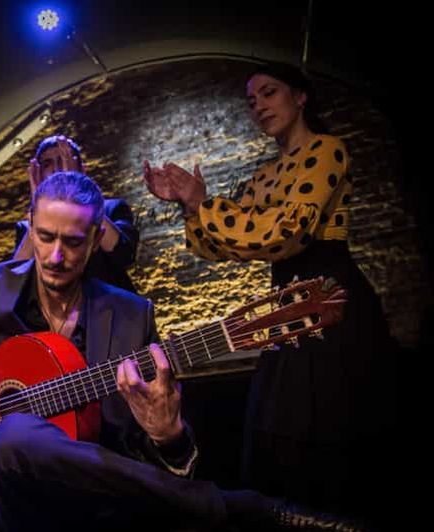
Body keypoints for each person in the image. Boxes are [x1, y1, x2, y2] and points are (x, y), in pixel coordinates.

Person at [0, 171, 361, 531]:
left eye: (72, 242)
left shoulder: (131, 315)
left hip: (94, 505)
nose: (55, 257)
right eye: (45, 237)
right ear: (29, 227)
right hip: (3, 492)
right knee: (12, 434)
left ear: (96, 239)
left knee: (23, 436)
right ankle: (237, 508)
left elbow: (146, 454)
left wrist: (167, 434)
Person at [142, 62, 397, 525]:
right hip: (285, 303)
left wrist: (204, 204)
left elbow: (284, 233)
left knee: (333, 426)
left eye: (269, 92)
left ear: (301, 97)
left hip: (329, 298)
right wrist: (190, 204)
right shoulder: (264, 174)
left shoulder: (327, 150)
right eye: (252, 99)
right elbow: (224, 241)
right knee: (279, 424)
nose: (258, 104)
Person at [13, 135, 139, 292]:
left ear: (82, 170)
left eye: (62, 160)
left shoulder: (110, 209)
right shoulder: (27, 226)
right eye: (48, 164)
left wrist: (80, 193)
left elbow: (125, 255)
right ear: (38, 175)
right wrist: (38, 211)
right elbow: (14, 280)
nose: (56, 169)